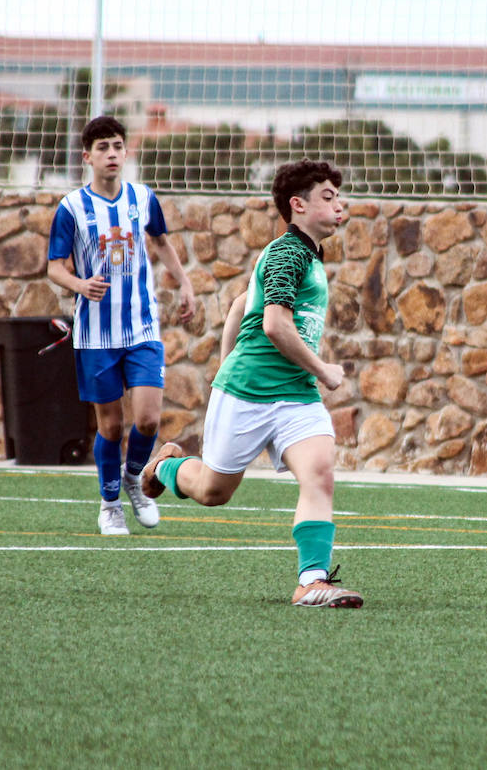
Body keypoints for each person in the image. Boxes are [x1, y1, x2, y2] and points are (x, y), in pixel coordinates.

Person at [140, 159, 363, 608]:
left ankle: (312, 581)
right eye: (328, 197)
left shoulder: (309, 256)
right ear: (297, 206)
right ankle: (164, 465)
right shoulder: (287, 252)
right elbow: (275, 326)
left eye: (338, 197)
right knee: (212, 492)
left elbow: (243, 304)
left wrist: (227, 361)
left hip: (296, 397)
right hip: (249, 393)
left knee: (319, 473)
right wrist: (322, 370)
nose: (340, 206)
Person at [47, 115, 195, 536]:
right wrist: (79, 284)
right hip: (96, 335)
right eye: (103, 148)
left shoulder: (143, 197)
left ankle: (135, 480)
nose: (111, 154)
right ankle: (110, 503)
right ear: (87, 157)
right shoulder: (72, 208)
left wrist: (185, 283)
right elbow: (55, 267)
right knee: (110, 426)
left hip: (142, 329)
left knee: (148, 420)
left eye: (117, 146)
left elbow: (161, 242)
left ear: (126, 152)